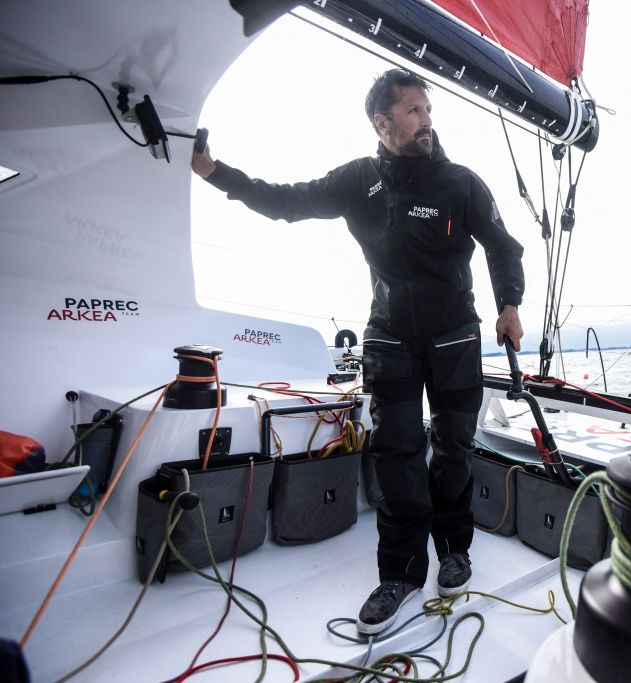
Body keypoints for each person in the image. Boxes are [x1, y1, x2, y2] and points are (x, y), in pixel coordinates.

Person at [191, 68, 525, 634]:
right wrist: (212, 171)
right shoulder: (357, 180)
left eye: (427, 109)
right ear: (383, 121)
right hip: (389, 336)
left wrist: (510, 305)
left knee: (453, 450)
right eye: (414, 110)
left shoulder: (461, 183)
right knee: (396, 455)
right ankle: (398, 574)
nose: (426, 120)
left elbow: (502, 246)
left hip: (456, 337)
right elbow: (285, 202)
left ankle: (454, 550)